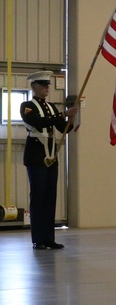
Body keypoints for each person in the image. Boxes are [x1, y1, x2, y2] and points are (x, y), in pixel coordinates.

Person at [20, 70, 78, 250]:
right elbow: (38, 122)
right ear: (34, 86)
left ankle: (49, 237)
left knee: (49, 198)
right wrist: (63, 115)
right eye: (43, 85)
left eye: (47, 85)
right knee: (38, 198)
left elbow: (63, 129)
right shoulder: (27, 105)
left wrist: (71, 119)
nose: (46, 88)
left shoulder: (52, 107)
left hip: (51, 157)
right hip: (37, 156)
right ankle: (38, 239)